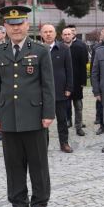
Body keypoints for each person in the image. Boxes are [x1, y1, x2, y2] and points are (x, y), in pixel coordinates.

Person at [0, 5, 56, 207]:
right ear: (5, 27)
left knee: (38, 165)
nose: (16, 28)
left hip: (35, 116)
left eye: (20, 24)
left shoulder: (40, 50)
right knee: (14, 166)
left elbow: (48, 85)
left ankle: (39, 206)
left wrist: (48, 113)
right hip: (8, 117)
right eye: (11, 24)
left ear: (27, 25)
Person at [41, 24, 74, 153]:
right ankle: (44, 144)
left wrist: (69, 87)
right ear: (41, 34)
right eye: (45, 32)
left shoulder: (64, 48)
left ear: (55, 34)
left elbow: (69, 69)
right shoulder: (37, 49)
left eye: (51, 32)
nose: (48, 34)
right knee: (43, 121)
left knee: (62, 119)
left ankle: (64, 143)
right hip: (42, 92)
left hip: (60, 90)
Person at [63, 26, 88, 136]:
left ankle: (78, 126)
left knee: (78, 106)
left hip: (77, 82)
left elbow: (84, 65)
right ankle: (66, 122)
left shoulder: (80, 47)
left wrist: (83, 81)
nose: (67, 36)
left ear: (73, 35)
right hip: (63, 82)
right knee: (65, 105)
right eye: (65, 34)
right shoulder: (59, 47)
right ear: (62, 36)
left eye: (69, 34)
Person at [91, 27, 104, 135]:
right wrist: (95, 85)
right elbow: (94, 67)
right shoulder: (96, 48)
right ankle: (102, 125)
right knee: (101, 105)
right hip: (101, 81)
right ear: (101, 34)